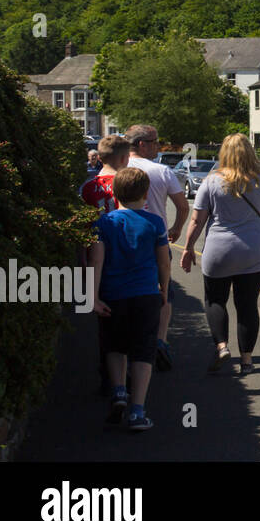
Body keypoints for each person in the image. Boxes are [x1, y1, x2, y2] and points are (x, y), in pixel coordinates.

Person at [180, 134, 260, 375]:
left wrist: (188, 248)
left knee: (215, 300)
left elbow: (197, 220)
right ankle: (246, 361)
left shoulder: (211, 182)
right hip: (253, 251)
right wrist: (254, 235)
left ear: (224, 153)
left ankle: (222, 347)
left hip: (218, 250)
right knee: (247, 305)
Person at [90, 167, 170, 432]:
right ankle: (137, 411)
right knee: (143, 350)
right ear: (146, 192)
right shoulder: (155, 223)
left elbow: (96, 261)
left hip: (113, 295)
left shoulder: (104, 223)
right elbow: (163, 263)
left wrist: (93, 296)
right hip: (146, 294)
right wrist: (165, 289)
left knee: (114, 346)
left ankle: (119, 392)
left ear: (114, 192)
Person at [125, 125, 190, 371]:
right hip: (156, 242)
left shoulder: (119, 168)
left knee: (127, 290)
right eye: (154, 142)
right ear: (142, 144)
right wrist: (175, 229)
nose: (158, 146)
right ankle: (160, 341)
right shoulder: (162, 171)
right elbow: (183, 207)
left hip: (121, 238)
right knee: (164, 292)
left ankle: (131, 343)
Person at [81, 134, 132, 395]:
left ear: (98, 157)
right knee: (132, 320)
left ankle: (108, 378)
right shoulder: (129, 185)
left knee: (105, 324)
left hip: (98, 258)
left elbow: (82, 229)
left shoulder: (89, 188)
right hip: (128, 257)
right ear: (125, 157)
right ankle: (130, 376)